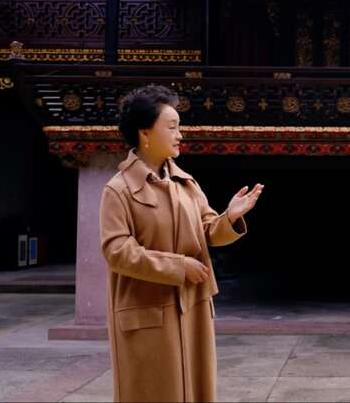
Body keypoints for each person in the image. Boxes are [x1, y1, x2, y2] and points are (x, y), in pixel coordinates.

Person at [99, 85, 264, 402]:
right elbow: (117, 251)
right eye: (172, 127)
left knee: (195, 390)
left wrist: (230, 216)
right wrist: (178, 267)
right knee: (153, 393)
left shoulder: (185, 184)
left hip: (193, 309)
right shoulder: (119, 190)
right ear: (145, 133)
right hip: (148, 314)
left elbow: (208, 230)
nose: (180, 135)